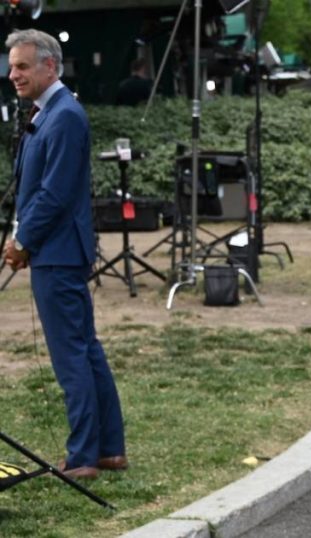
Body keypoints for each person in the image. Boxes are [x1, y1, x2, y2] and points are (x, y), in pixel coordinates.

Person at [3, 29, 127, 479]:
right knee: (85, 350)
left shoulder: (65, 115)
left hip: (57, 253)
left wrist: (23, 241)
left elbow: (54, 194)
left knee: (71, 355)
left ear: (49, 66)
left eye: (22, 66)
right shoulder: (50, 112)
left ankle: (83, 457)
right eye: (11, 67)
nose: (13, 75)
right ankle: (109, 449)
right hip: (57, 251)